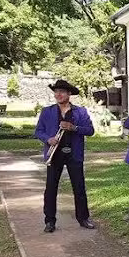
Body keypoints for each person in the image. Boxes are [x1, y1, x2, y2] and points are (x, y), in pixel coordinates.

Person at [34, 79, 96, 233]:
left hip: (74, 153)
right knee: (50, 188)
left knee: (79, 187)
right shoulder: (47, 111)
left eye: (62, 91)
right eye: (56, 91)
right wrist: (48, 139)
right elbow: (38, 131)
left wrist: (73, 127)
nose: (58, 94)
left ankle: (83, 218)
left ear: (69, 94)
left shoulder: (80, 112)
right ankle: (49, 221)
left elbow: (90, 130)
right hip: (54, 154)